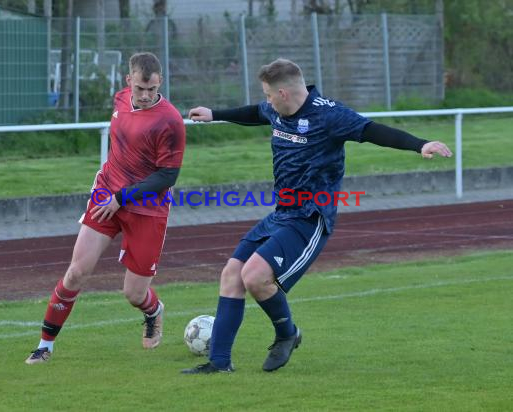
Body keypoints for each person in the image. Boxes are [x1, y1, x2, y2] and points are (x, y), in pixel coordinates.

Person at [182, 58, 452, 374]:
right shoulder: (276, 109)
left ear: (283, 93)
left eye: (269, 95)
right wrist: (215, 116)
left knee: (254, 276)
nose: (266, 101)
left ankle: (287, 334)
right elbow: (255, 113)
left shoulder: (329, 115)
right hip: (282, 213)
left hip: (311, 217)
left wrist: (420, 145)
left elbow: (372, 131)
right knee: (231, 273)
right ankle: (219, 363)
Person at [25, 52, 186, 364]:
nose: (145, 95)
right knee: (76, 273)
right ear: (128, 81)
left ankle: (153, 310)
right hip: (106, 194)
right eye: (140, 88)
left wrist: (122, 198)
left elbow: (168, 176)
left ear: (160, 83)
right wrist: (113, 194)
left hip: (147, 209)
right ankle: (45, 346)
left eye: (152, 89)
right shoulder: (120, 99)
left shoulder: (171, 121)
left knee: (134, 294)